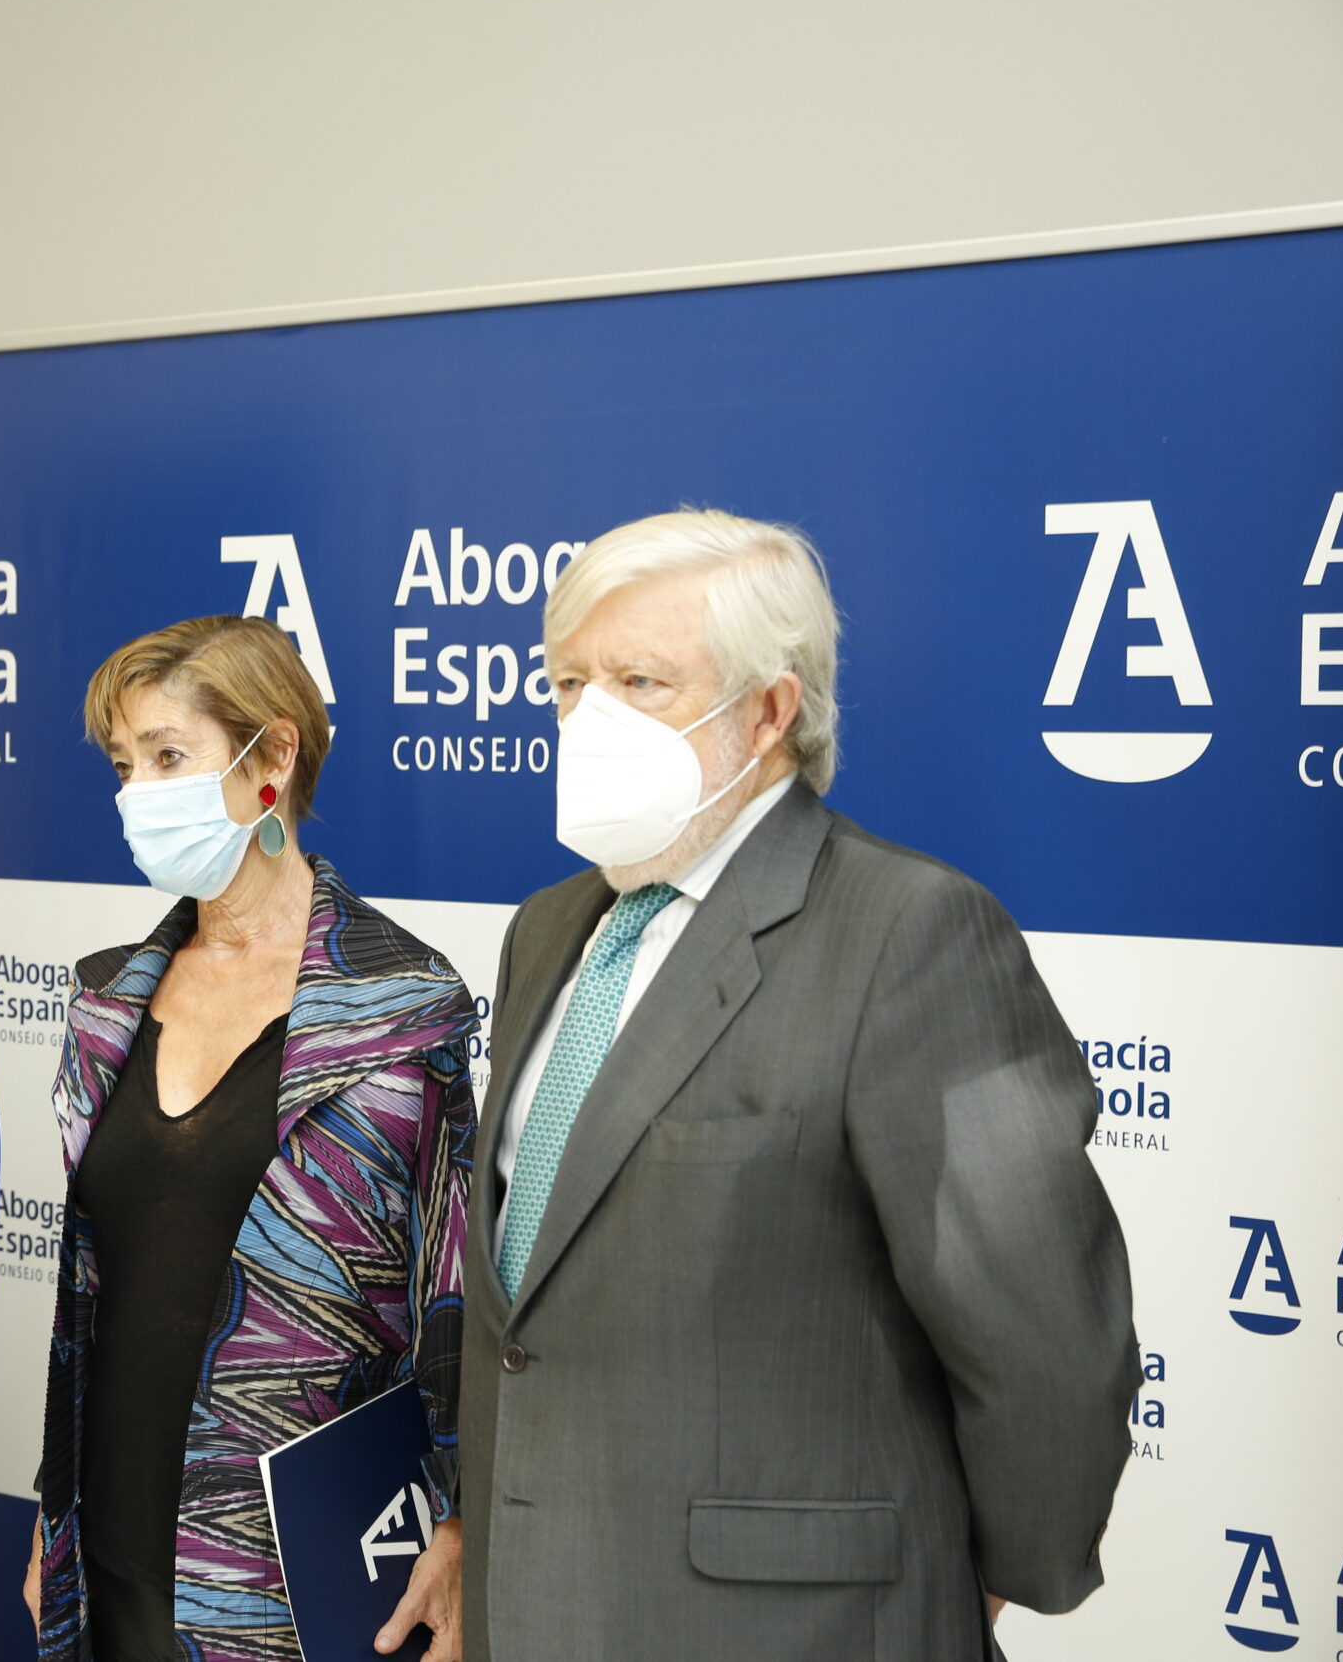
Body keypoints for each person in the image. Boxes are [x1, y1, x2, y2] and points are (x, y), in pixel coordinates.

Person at [459, 510, 1138, 1660]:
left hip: (794, 1628)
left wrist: (971, 1581)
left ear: (769, 711)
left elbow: (1042, 1337)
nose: (588, 719)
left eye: (639, 681)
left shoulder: (906, 932)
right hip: (532, 1607)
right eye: (568, 684)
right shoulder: (549, 928)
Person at [24, 615, 479, 1662]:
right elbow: (87, 1303)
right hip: (112, 1548)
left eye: (167, 757)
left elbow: (454, 1302)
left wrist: (461, 1526)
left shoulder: (403, 1009)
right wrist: (53, 1521)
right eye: (123, 764)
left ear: (273, 755)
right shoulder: (105, 1003)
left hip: (307, 1573)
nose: (136, 794)